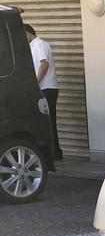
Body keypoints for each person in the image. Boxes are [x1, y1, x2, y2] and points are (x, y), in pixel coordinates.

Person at [24, 24, 62, 160]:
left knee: (48, 121)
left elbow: (44, 63)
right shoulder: (33, 46)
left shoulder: (39, 44)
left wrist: (36, 82)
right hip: (45, 88)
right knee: (46, 121)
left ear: (28, 33)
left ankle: (55, 153)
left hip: (47, 88)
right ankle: (54, 151)